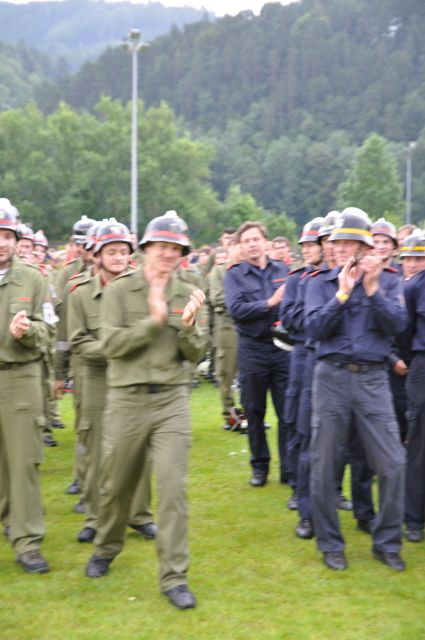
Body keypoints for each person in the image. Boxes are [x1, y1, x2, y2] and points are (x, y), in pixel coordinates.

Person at [85, 211, 207, 611]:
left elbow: (197, 353)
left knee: (173, 490)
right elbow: (110, 346)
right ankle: (106, 546)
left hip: (171, 400)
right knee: (115, 485)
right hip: (127, 400)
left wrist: (188, 326)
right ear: (146, 249)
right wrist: (153, 321)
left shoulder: (190, 291)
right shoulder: (120, 291)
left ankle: (174, 577)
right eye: (161, 246)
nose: (168, 254)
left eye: (176, 248)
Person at [305, 207, 407, 571]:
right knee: (324, 465)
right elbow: (314, 329)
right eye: (337, 243)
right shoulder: (319, 283)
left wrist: (373, 290)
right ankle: (330, 543)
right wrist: (342, 295)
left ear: (365, 248)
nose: (340, 249)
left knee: (393, 463)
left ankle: (387, 542)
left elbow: (397, 324)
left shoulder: (389, 281)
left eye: (350, 243)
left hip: (373, 380)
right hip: (331, 378)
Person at [68, 220, 156, 543]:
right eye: (111, 251)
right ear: (97, 255)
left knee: (137, 450)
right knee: (95, 452)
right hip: (96, 381)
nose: (118, 257)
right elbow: (78, 341)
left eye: (122, 251)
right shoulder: (80, 294)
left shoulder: (143, 289)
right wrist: (114, 349)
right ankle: (96, 517)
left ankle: (139, 515)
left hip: (134, 380)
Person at [0, 201, 52, 573]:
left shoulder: (33, 279)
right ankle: (9, 517)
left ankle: (28, 541)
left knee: (24, 463)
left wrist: (28, 331)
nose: (1, 243)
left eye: (7, 235)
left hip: (20, 377)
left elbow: (49, 330)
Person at [224, 221, 290, 487]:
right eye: (247, 241)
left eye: (256, 239)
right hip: (253, 349)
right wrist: (270, 303)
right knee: (254, 410)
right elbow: (236, 310)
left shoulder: (283, 270)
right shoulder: (235, 275)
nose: (252, 244)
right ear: (241, 247)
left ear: (266, 242)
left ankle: (289, 468)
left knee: (287, 412)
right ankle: (260, 466)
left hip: (283, 348)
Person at [402, 232, 425, 543]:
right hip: (422, 365)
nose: (415, 263)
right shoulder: (412, 288)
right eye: (410, 258)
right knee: (418, 443)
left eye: (419, 258)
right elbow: (403, 332)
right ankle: (414, 519)